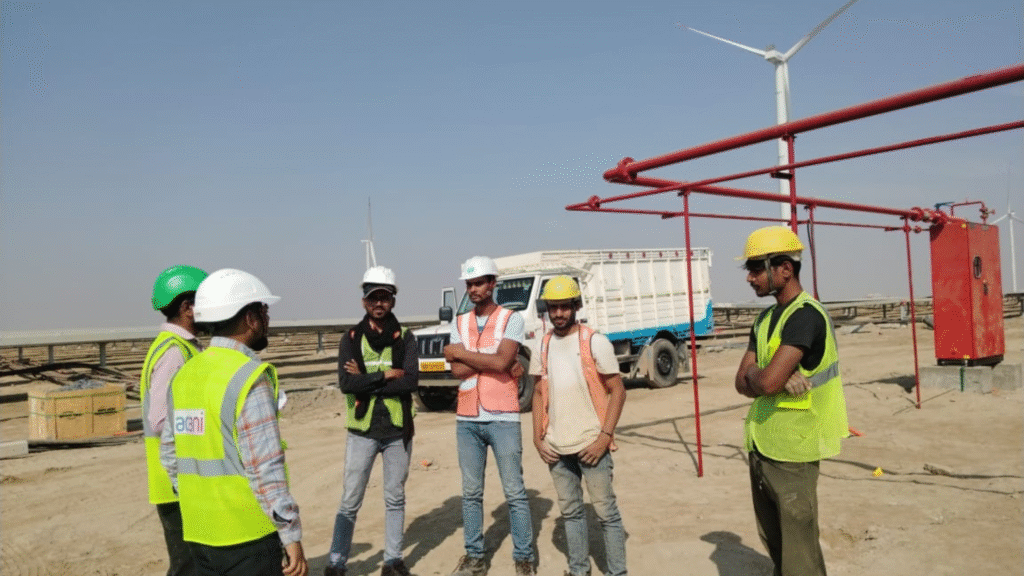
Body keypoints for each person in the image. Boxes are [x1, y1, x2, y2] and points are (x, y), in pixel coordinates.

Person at [160, 268, 308, 576]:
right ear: (250, 318)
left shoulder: (185, 375)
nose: (268, 319)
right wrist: (290, 534)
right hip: (248, 536)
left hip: (198, 532)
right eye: (264, 310)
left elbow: (171, 456)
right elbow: (265, 466)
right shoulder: (248, 376)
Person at [733, 226, 849, 576]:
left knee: (800, 556)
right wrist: (763, 377)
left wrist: (762, 377)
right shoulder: (766, 318)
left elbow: (764, 382)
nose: (750, 278)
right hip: (763, 446)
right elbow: (743, 381)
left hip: (794, 454)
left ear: (785, 268)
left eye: (756, 269)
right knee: (778, 547)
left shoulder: (805, 316)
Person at [443, 256, 536, 576]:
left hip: (503, 416)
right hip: (468, 417)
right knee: (471, 493)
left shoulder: (512, 319)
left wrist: (461, 353)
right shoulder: (459, 323)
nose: (473, 289)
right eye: (469, 284)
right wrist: (494, 359)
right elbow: (457, 371)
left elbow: (500, 364)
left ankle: (524, 556)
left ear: (493, 283)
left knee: (514, 491)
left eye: (479, 283)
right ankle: (474, 557)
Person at [530, 276, 628, 576]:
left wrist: (604, 437)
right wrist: (537, 437)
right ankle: (578, 570)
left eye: (564, 307)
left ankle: (617, 572)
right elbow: (536, 392)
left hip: (591, 446)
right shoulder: (542, 345)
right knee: (571, 514)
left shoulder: (594, 341)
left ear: (576, 306)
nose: (558, 314)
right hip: (557, 449)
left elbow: (618, 390)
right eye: (553, 307)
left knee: (606, 514)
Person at [325, 266, 419, 576]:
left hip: (396, 431)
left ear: (393, 300)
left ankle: (393, 560)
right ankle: (337, 563)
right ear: (364, 302)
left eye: (385, 297)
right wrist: (382, 375)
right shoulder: (351, 338)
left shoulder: (405, 337)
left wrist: (365, 379)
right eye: (373, 298)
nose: (379, 303)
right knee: (350, 500)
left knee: (395, 497)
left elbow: (409, 383)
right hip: (362, 431)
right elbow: (346, 384)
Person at [141, 265, 208, 576]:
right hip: (177, 482)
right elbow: (160, 421)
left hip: (181, 479)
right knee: (187, 567)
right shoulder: (174, 353)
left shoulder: (180, 348)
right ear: (187, 308)